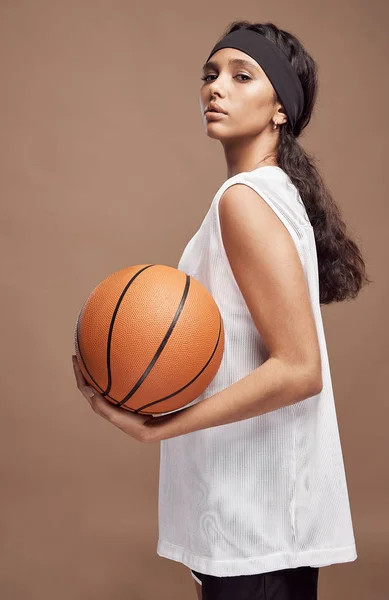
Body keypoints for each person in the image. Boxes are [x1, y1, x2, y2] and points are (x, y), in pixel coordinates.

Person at [73, 19, 371, 600]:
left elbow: (298, 369)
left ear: (280, 108)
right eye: (210, 74)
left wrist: (158, 426)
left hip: (251, 523)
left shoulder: (244, 201)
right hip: (260, 517)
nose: (216, 87)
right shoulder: (273, 191)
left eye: (241, 75)